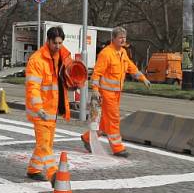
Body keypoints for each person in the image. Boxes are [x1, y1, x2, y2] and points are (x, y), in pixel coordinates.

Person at [82, 26, 150, 157]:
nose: (123, 39)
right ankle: (117, 148)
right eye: (120, 37)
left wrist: (143, 78)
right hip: (106, 93)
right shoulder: (106, 53)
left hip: (116, 93)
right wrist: (95, 90)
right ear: (113, 39)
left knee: (105, 122)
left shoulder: (123, 52)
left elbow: (131, 67)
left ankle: (87, 138)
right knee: (113, 120)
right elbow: (97, 74)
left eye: (124, 37)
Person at [25, 26, 74, 184]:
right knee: (45, 144)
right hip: (40, 111)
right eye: (55, 43)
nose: (58, 46)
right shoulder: (37, 60)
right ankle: (53, 174)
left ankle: (33, 169)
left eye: (60, 43)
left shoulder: (61, 55)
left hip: (52, 111)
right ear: (48, 41)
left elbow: (67, 76)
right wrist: (38, 109)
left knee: (46, 143)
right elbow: (33, 88)